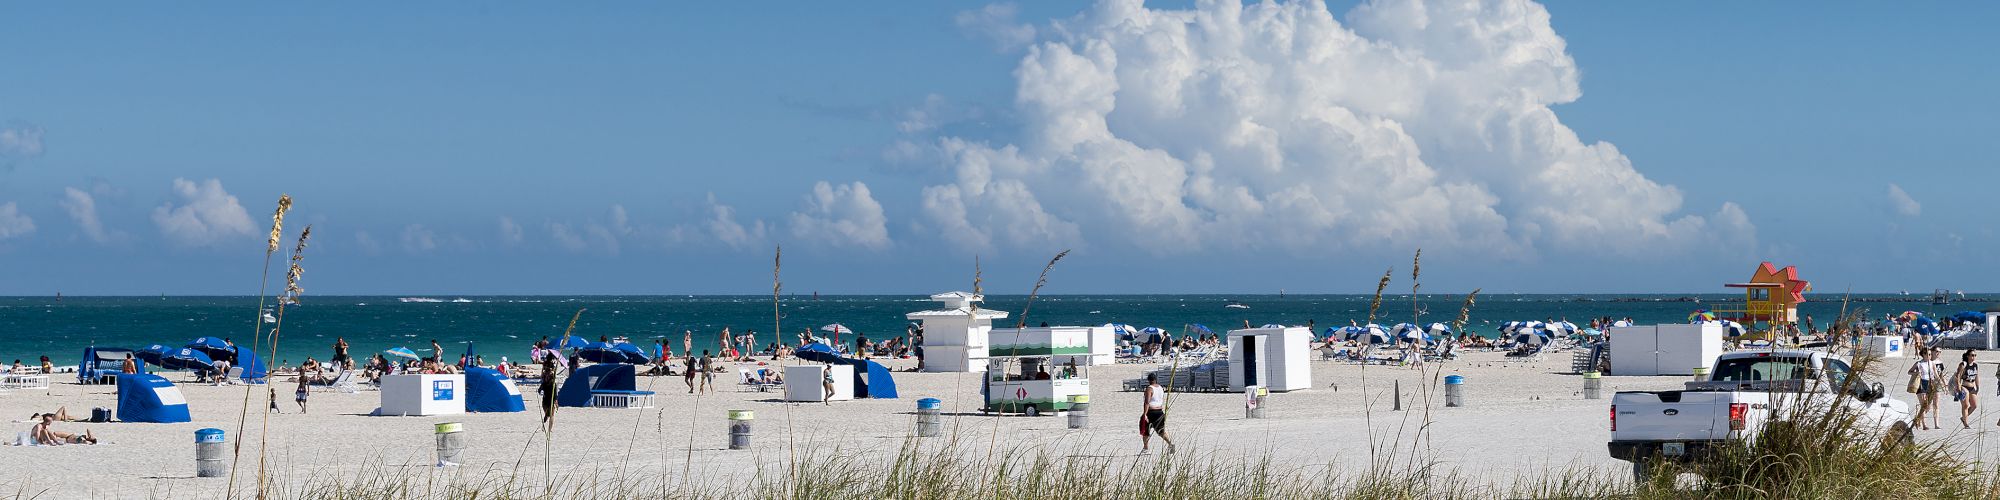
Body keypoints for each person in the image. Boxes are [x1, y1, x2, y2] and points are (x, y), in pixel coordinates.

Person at [1141, 373, 1174, 454]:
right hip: (1160, 411)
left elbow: (1147, 402)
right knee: (1161, 431)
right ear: (1155, 379)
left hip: (1151, 412)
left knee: (1145, 430)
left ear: (1148, 380)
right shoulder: (1160, 387)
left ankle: (1145, 448)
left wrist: (1145, 414)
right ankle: (1170, 444)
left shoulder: (1149, 389)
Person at [1910, 347, 1940, 430]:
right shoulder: (1919, 363)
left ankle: (1917, 419)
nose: (1929, 356)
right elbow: (1909, 371)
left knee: (1928, 406)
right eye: (1928, 354)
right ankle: (1924, 425)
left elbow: (1936, 374)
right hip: (1921, 383)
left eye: (1930, 354)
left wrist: (1940, 383)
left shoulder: (1932, 363)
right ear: (1923, 355)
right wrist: (1916, 372)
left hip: (1930, 384)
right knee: (1923, 404)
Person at [31, 413, 96, 445]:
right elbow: (37, 436)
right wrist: (41, 443)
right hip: (67, 436)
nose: (50, 424)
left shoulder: (46, 426)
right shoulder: (39, 426)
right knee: (52, 433)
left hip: (64, 438)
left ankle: (52, 441)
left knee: (54, 434)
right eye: (50, 422)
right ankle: (51, 441)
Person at [1954, 350, 1979, 429]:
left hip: (1972, 386)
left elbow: (1977, 376)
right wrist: (1958, 387)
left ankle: (1963, 418)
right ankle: (1966, 423)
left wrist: (1977, 386)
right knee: (1965, 405)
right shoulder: (1963, 364)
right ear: (1967, 356)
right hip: (1964, 386)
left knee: (1974, 405)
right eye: (1972, 355)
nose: (1973, 357)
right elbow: (1958, 375)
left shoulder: (1975, 365)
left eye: (1975, 355)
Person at [539, 352, 559, 432]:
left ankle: (543, 426)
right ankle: (549, 429)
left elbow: (542, 373)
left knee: (547, 413)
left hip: (545, 393)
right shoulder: (553, 383)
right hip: (551, 394)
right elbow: (555, 393)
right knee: (551, 415)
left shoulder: (545, 364)